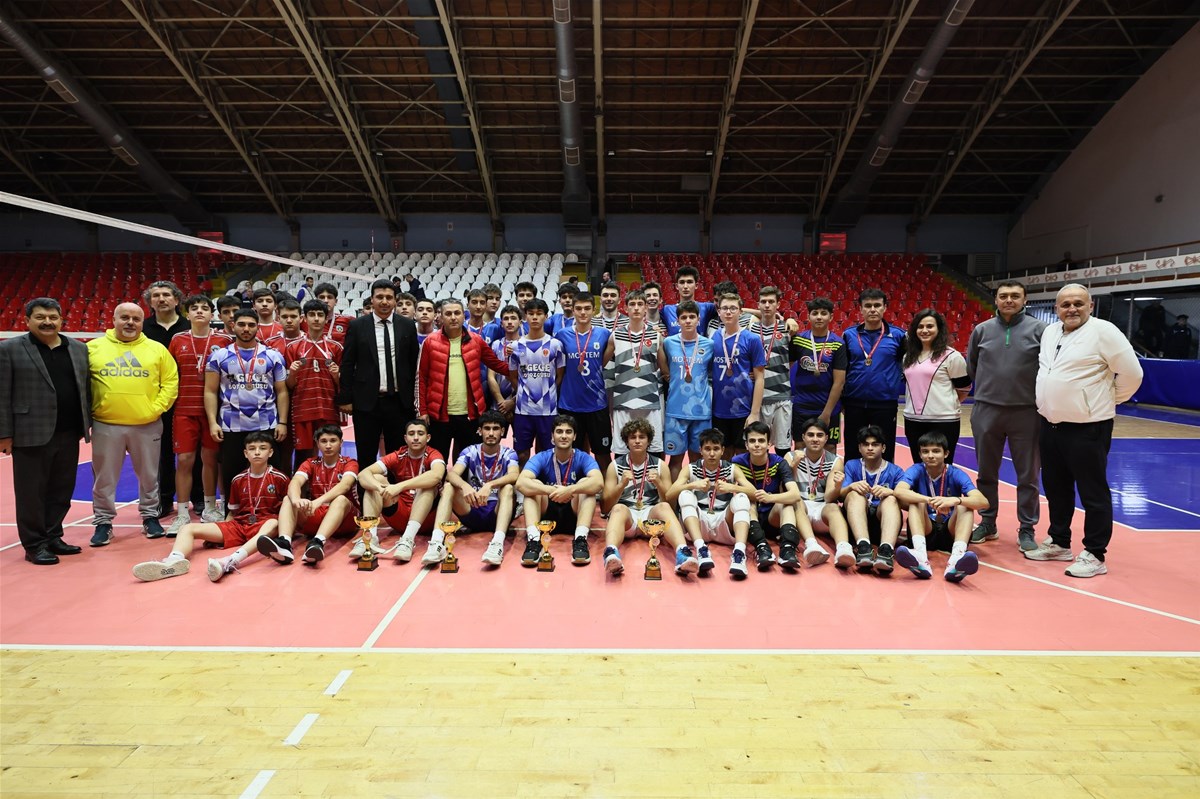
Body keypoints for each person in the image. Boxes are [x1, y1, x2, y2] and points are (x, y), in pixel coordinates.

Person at [1027, 284, 1143, 578]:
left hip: (1088, 427)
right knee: (1056, 488)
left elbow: (1133, 374)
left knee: (1093, 493)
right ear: (1056, 309)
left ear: (1090, 306)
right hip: (1051, 424)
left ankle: (1094, 553)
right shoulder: (1050, 332)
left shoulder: (1105, 332)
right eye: (1065, 304)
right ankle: (1059, 542)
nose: (1072, 309)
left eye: (1078, 303)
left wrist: (1105, 400)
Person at [0, 298, 91, 565]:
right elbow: (2, 394)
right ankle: (34, 544)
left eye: (53, 317)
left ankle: (53, 536)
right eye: (40, 317)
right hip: (29, 432)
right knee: (31, 493)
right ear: (27, 320)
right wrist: (4, 433)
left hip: (69, 431)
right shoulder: (9, 349)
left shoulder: (77, 348)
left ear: (62, 320)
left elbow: (84, 387)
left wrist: (85, 423)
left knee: (62, 490)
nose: (47, 322)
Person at [131, 431, 290, 583]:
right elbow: (233, 512)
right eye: (252, 449)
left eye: (262, 448)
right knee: (187, 528)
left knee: (273, 523)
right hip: (240, 526)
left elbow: (287, 512)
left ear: (270, 452)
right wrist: (222, 530)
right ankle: (173, 562)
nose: (257, 452)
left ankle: (229, 561)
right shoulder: (238, 480)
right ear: (245, 453)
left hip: (265, 525)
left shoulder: (280, 478)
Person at [87, 302, 179, 546]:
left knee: (149, 475)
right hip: (106, 424)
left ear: (142, 322)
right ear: (113, 320)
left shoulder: (157, 349)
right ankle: (103, 523)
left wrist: (155, 409)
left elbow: (170, 382)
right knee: (104, 478)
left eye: (136, 319)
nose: (130, 322)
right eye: (125, 317)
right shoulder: (93, 348)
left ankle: (150, 517)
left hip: (147, 424)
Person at [966, 281, 1046, 550]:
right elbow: (972, 366)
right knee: (986, 472)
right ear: (996, 300)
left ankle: (1027, 528)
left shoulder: (1040, 330)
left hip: (1027, 412)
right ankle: (988, 522)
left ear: (1025, 299)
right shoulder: (982, 330)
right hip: (987, 409)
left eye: (1015, 296)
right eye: (1003, 296)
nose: (1009, 300)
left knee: (1028, 475)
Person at [205, 310, 289, 500]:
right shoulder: (218, 356)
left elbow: (282, 391)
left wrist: (282, 422)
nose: (246, 329)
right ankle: (232, 513)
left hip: (267, 424)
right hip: (231, 426)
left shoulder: (273, 356)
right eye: (241, 324)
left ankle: (273, 512)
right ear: (233, 325)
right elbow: (210, 391)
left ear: (257, 327)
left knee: (271, 476)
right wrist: (212, 422)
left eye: (251, 325)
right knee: (232, 477)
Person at [166, 295, 233, 533]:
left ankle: (210, 508)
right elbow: (170, 373)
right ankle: (182, 513)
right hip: (184, 409)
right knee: (184, 460)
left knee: (211, 459)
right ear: (187, 314)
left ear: (212, 315)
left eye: (205, 308)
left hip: (214, 410)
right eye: (194, 308)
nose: (199, 311)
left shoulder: (224, 340)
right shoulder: (178, 339)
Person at [417, 299, 511, 462]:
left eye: (457, 313)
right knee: (437, 462)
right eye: (448, 314)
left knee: (467, 463)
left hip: (470, 414)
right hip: (439, 415)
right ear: (441, 317)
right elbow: (422, 378)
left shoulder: (476, 340)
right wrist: (422, 411)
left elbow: (496, 364)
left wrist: (522, 367)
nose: (453, 317)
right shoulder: (430, 342)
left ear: (463, 315)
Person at [336, 279, 419, 459]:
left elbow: (413, 363)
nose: (384, 301)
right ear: (372, 299)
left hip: (399, 401)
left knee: (397, 456)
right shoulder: (357, 326)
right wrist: (346, 398)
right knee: (366, 454)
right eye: (379, 297)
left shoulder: (407, 325)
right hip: (366, 402)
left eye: (389, 297)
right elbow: (348, 364)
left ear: (395, 300)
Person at [599, 418, 692, 576]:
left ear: (648, 441)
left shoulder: (660, 465)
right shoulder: (615, 466)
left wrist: (659, 483)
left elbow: (671, 505)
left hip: (651, 517)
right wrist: (621, 485)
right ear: (626, 441)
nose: (637, 441)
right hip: (627, 518)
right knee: (618, 508)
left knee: (664, 507)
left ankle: (682, 553)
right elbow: (605, 507)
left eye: (642, 437)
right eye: (632, 437)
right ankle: (611, 553)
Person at [893, 431, 989, 582]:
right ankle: (920, 555)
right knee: (916, 502)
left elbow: (983, 502)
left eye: (936, 451)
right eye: (925, 451)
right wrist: (929, 500)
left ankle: (957, 558)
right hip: (926, 530)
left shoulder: (956, 473)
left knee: (965, 505)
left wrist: (955, 500)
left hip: (950, 531)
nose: (930, 455)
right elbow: (899, 491)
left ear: (946, 454)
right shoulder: (916, 469)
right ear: (920, 454)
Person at [259, 424, 359, 566]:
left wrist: (318, 501)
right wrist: (296, 500)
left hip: (344, 520)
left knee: (341, 499)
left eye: (333, 441)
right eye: (323, 441)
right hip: (316, 513)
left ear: (341, 442)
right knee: (288, 499)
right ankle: (284, 543)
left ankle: (318, 542)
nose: (328, 445)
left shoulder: (350, 462)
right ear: (317, 443)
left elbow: (345, 485)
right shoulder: (311, 463)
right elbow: (295, 482)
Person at [433, 410, 520, 567]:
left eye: (495, 428)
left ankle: (497, 544)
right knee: (449, 487)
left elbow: (514, 475)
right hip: (472, 509)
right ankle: (437, 542)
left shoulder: (509, 453)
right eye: (487, 428)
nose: (491, 433)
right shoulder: (470, 451)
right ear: (479, 431)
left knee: (508, 488)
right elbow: (452, 474)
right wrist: (464, 485)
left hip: (497, 512)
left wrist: (490, 485)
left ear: (502, 431)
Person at [515, 414, 604, 567]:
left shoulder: (583, 457)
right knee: (532, 487)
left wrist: (570, 490)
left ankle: (580, 539)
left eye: (568, 432)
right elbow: (520, 483)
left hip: (573, 512)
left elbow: (599, 482)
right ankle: (534, 540)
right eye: (559, 432)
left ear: (575, 436)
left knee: (586, 484)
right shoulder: (542, 457)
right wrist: (550, 490)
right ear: (552, 436)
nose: (564, 436)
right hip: (547, 513)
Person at [734, 421, 822, 573]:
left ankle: (787, 550)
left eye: (761, 441)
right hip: (748, 520)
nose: (757, 445)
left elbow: (795, 494)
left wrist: (770, 498)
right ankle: (762, 548)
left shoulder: (779, 463)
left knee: (787, 504)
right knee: (747, 501)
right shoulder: (737, 463)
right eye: (752, 441)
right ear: (746, 445)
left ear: (769, 444)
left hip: (771, 518)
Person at [356, 418, 447, 562]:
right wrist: (380, 488)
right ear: (405, 438)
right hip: (400, 515)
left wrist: (400, 486)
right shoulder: (398, 455)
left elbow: (437, 475)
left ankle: (408, 540)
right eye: (411, 434)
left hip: (426, 519)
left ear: (428, 437)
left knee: (428, 485)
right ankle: (369, 537)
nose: (415, 437)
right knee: (375, 480)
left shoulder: (434, 454)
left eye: (420, 433)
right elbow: (363, 475)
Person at [667, 427, 750, 578]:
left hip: (723, 523)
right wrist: (692, 485)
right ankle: (701, 549)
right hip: (699, 524)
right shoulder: (690, 469)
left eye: (716, 449)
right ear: (700, 450)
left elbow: (755, 493)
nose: (712, 453)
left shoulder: (732, 469)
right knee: (685, 494)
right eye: (707, 449)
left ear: (722, 450)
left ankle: (739, 553)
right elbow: (669, 494)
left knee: (742, 498)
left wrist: (732, 487)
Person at [141, 280, 189, 518]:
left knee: (191, 453)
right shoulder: (142, 329)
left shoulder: (189, 326)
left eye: (166, 294)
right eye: (156, 295)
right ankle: (164, 499)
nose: (161, 299)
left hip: (188, 398)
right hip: (156, 400)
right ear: (150, 302)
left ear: (176, 299)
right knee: (162, 454)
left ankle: (198, 498)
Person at [841, 288, 905, 463]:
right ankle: (851, 478)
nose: (872, 309)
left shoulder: (898, 336)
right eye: (868, 306)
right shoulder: (849, 335)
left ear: (885, 307)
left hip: (885, 402)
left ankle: (885, 479)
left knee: (885, 448)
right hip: (854, 401)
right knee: (853, 448)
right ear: (860, 309)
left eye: (877, 305)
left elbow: (908, 366)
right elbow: (842, 369)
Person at [901, 308, 970, 464]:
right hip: (913, 420)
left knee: (942, 467)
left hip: (944, 422)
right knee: (919, 467)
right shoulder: (908, 357)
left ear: (939, 329)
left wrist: (944, 405)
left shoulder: (952, 356)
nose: (925, 330)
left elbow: (964, 388)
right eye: (920, 326)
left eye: (930, 326)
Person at [554, 290, 613, 472]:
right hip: (569, 404)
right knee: (573, 452)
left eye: (587, 308)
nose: (583, 312)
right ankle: (577, 485)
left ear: (594, 310)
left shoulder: (604, 334)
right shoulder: (562, 335)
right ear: (572, 310)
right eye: (578, 308)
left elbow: (604, 361)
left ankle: (606, 487)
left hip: (597, 404)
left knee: (603, 453)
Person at [604, 289, 665, 460]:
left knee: (654, 448)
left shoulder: (656, 335)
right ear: (625, 308)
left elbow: (664, 369)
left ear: (646, 307)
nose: (636, 308)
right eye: (632, 304)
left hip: (650, 400)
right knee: (621, 449)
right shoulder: (615, 335)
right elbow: (601, 364)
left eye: (640, 304)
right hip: (623, 399)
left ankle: (652, 478)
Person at [786, 417, 853, 568]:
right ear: (803, 437)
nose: (815, 439)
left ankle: (844, 548)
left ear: (826, 438)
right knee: (795, 501)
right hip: (799, 510)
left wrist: (838, 486)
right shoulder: (791, 456)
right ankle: (812, 545)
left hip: (821, 509)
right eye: (810, 435)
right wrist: (793, 466)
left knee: (834, 507)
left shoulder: (835, 461)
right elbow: (785, 490)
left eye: (820, 435)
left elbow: (829, 498)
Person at [839, 424, 906, 574]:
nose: (870, 448)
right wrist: (851, 487)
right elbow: (840, 495)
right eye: (866, 444)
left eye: (875, 444)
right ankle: (863, 547)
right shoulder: (851, 465)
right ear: (859, 448)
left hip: (881, 523)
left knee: (891, 499)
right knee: (854, 495)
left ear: (883, 448)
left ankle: (886, 550)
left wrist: (892, 492)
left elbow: (907, 503)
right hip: (856, 522)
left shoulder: (896, 471)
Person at [660, 301, 715, 481]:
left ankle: (697, 494)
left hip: (701, 410)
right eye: (684, 317)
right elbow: (664, 368)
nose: (688, 321)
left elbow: (712, 372)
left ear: (699, 319)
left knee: (698, 459)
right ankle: (673, 497)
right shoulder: (669, 342)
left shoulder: (709, 344)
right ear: (678, 321)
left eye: (692, 317)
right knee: (675, 459)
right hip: (675, 410)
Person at [285, 300, 343, 468]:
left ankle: (329, 483)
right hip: (302, 409)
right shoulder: (293, 347)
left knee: (330, 452)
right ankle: (303, 484)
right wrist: (293, 373)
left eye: (320, 315)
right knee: (303, 456)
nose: (316, 319)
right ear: (304, 318)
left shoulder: (336, 347)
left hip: (328, 408)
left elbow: (342, 384)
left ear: (326, 319)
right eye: (312, 315)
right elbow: (289, 385)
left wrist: (336, 375)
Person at [508, 299, 565, 464]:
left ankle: (543, 480)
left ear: (546, 316)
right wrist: (523, 392)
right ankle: (521, 482)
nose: (535, 317)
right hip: (523, 410)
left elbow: (559, 376)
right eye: (531, 313)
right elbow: (513, 377)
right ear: (525, 317)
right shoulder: (515, 346)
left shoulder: (555, 345)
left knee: (546, 454)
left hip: (548, 411)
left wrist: (549, 391)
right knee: (521, 455)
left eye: (539, 314)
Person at [709, 292, 766, 459]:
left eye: (733, 308)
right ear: (719, 312)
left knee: (743, 455)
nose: (728, 312)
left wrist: (754, 413)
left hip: (743, 410)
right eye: (725, 308)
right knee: (723, 455)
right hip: (718, 410)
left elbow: (760, 378)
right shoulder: (713, 338)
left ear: (741, 312)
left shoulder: (752, 339)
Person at [790, 297, 847, 455]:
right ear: (808, 316)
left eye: (823, 313)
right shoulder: (798, 340)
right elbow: (784, 368)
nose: (819, 317)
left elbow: (839, 382)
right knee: (800, 447)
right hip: (802, 406)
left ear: (831, 316)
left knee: (829, 448)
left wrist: (827, 413)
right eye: (815, 313)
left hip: (828, 407)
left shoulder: (837, 344)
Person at [748, 286, 793, 456]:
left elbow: (792, 360)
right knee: (758, 447)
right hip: (757, 399)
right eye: (763, 302)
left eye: (771, 302)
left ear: (778, 305)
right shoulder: (750, 329)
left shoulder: (788, 329)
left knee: (783, 448)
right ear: (758, 304)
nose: (767, 305)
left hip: (782, 396)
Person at [487, 305, 522, 417]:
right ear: (501, 323)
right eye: (506, 319)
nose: (509, 322)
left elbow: (530, 380)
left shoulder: (527, 345)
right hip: (499, 405)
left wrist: (512, 402)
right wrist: (501, 402)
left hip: (521, 404)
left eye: (513, 318)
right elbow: (491, 376)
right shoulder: (495, 345)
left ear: (520, 322)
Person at [661, 266, 717, 335]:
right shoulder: (667, 310)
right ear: (677, 286)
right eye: (682, 282)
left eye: (689, 282)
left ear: (696, 285)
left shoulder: (707, 308)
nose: (685, 286)